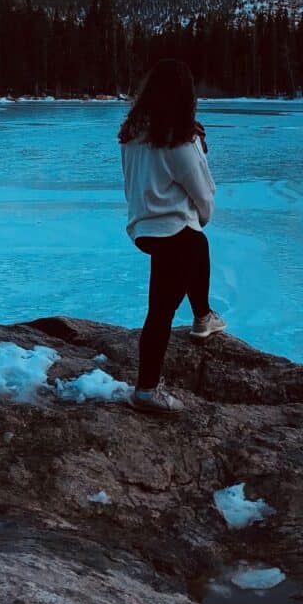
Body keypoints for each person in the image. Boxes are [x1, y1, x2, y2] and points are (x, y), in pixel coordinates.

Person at [118, 58, 226, 414]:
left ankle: (202, 316)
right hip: (173, 230)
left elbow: (136, 182)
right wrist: (198, 148)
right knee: (161, 312)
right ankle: (146, 390)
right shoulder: (180, 142)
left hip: (144, 228)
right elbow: (203, 192)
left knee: (198, 248)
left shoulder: (133, 134)